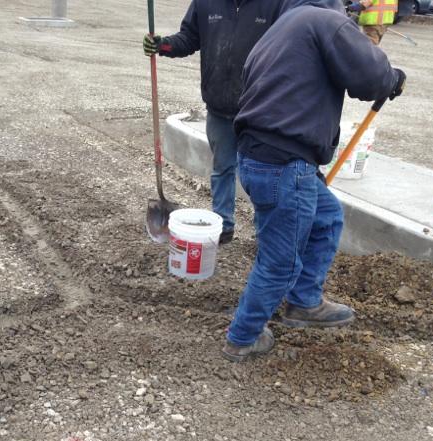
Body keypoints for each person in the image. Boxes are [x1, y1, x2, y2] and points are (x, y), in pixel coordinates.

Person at [221, 0, 406, 362]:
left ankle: (304, 302)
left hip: (266, 156)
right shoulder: (327, 22)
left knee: (327, 219)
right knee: (281, 261)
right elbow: (369, 80)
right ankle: (242, 337)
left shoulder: (284, 26)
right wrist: (393, 77)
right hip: (284, 162)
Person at [143, 0, 283, 244]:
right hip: (219, 106)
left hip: (259, 110)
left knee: (262, 175)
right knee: (222, 169)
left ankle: (266, 236)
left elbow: (289, 46)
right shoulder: (206, 2)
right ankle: (223, 227)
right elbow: (189, 38)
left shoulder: (275, 4)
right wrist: (163, 44)